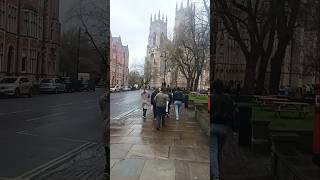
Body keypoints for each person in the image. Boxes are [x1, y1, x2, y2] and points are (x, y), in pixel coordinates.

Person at [210, 80, 234, 180]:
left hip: (212, 125)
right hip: (223, 127)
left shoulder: (210, 98)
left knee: (213, 151)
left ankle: (216, 175)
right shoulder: (228, 98)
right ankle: (218, 171)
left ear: (214, 88)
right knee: (219, 150)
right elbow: (231, 112)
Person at [99, 90, 110, 179]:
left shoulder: (102, 99)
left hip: (106, 127)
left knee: (107, 149)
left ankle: (107, 170)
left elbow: (102, 110)